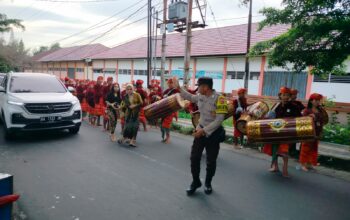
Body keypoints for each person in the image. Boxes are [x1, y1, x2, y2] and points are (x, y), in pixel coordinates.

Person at [173, 77, 227, 195]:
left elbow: (219, 120)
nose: (198, 89)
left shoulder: (220, 99)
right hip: (200, 130)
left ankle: (208, 183)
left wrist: (203, 131)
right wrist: (178, 88)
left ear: (206, 87)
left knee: (211, 161)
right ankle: (196, 181)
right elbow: (190, 97)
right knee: (194, 158)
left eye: (199, 86)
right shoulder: (201, 96)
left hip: (213, 134)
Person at [264, 87, 301, 177]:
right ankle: (275, 166)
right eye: (283, 95)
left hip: (287, 133)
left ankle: (285, 169)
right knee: (274, 150)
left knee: (285, 152)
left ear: (289, 96)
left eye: (287, 95)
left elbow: (298, 118)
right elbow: (270, 117)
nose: (285, 97)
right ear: (280, 95)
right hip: (276, 131)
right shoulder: (276, 105)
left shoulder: (294, 107)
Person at [299, 93, 325, 171]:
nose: (318, 102)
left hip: (317, 131)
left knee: (314, 148)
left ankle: (310, 163)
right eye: (316, 100)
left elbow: (322, 121)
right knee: (306, 148)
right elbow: (303, 120)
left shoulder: (320, 110)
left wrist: (321, 131)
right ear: (311, 101)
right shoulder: (307, 110)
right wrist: (309, 117)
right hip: (308, 131)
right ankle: (303, 164)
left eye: (318, 100)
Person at [160, 78, 179, 144]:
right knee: (162, 125)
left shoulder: (177, 91)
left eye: (171, 83)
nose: (170, 84)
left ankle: (168, 138)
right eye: (169, 83)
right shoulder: (167, 91)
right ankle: (165, 137)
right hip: (165, 109)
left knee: (166, 124)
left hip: (171, 110)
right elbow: (162, 98)